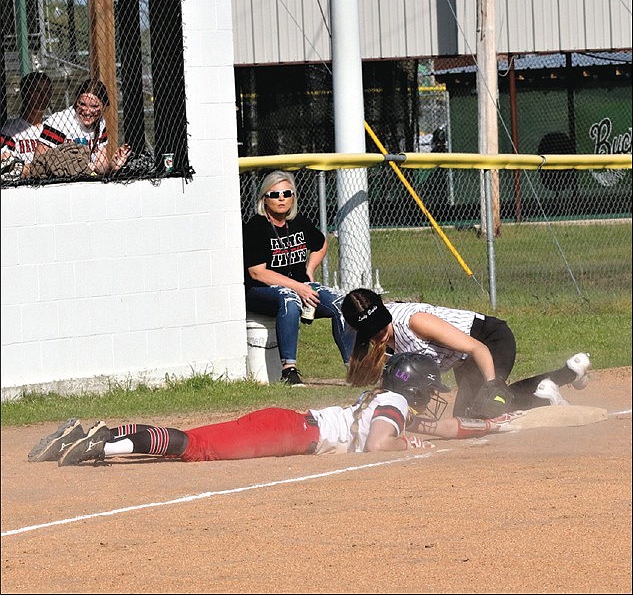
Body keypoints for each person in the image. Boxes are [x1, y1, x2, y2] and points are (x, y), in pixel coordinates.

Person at [27, 353, 522, 466]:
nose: (429, 397)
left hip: (289, 426)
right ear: (413, 388)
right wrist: (405, 444)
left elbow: (443, 425)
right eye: (428, 389)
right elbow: (378, 444)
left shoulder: (390, 402)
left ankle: (97, 436)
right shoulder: (392, 405)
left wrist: (487, 428)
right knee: (197, 447)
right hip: (290, 432)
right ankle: (105, 445)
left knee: (197, 441)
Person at [341, 288, 592, 419]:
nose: (378, 335)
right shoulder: (376, 336)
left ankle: (549, 393)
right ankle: (568, 373)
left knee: (484, 408)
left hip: (489, 340)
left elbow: (477, 348)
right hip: (464, 360)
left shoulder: (415, 322)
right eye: (370, 332)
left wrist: (493, 385)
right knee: (469, 414)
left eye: (380, 326)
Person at [242, 170, 354, 386]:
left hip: (298, 285)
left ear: (293, 196)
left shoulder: (298, 222)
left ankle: (353, 369)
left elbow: (321, 244)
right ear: (264, 199)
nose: (281, 198)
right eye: (274, 194)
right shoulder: (255, 227)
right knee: (289, 299)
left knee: (343, 302)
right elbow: (257, 272)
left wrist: (309, 270)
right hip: (261, 291)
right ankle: (289, 371)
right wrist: (299, 287)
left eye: (287, 193)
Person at [26, 78, 130, 177]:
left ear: (103, 106)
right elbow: (39, 163)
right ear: (76, 102)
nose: (87, 111)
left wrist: (111, 166)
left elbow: (99, 164)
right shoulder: (60, 122)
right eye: (82, 104)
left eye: (94, 106)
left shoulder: (100, 122)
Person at [1, 72, 53, 180]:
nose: (43, 95)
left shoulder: (54, 125)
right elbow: (6, 164)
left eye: (47, 91)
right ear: (25, 93)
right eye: (37, 90)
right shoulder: (10, 129)